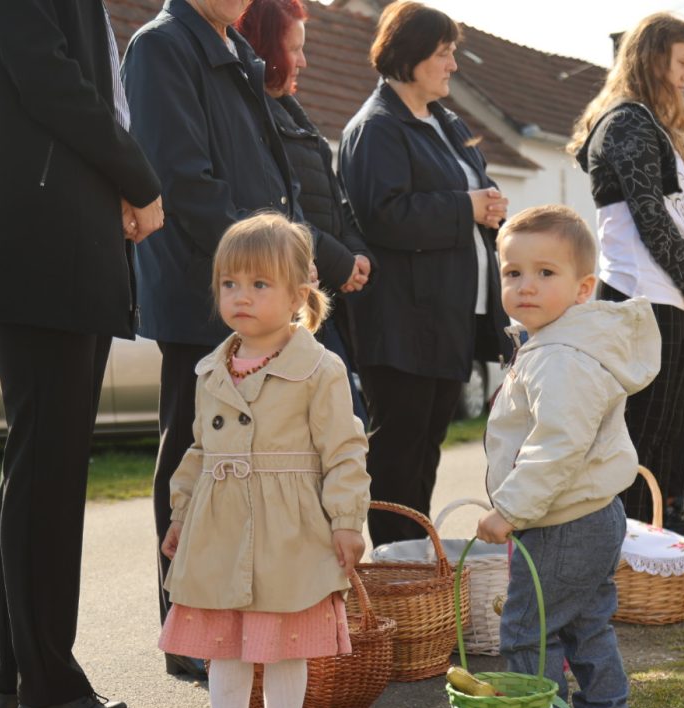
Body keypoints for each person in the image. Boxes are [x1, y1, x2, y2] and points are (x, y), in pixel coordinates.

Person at [0, 0, 165, 708]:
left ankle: (17, 684)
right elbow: (49, 78)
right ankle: (50, 693)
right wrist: (136, 176)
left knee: (38, 464)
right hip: (43, 234)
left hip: (48, 229)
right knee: (48, 469)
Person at [159, 213, 370, 708]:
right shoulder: (210, 370)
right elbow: (199, 450)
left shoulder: (320, 369)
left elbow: (344, 449)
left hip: (291, 529)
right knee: (225, 643)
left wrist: (347, 521)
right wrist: (180, 514)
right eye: (230, 284)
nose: (241, 297)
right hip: (221, 526)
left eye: (259, 285)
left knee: (283, 643)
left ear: (298, 293)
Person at [123, 0, 305, 671]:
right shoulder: (163, 46)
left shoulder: (234, 52)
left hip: (254, 290)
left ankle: (231, 621)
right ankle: (186, 632)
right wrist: (264, 266)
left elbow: (269, 179)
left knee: (244, 468)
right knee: (193, 464)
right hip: (207, 292)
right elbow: (182, 183)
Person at [474, 205, 657, 708]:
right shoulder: (554, 345)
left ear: (582, 288)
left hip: (560, 520)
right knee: (585, 625)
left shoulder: (560, 357)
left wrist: (510, 509)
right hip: (590, 516)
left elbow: (558, 445)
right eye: (512, 272)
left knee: (530, 630)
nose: (525, 285)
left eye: (545, 273)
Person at [339, 1, 512, 546]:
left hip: (449, 317)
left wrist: (490, 208)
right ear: (410, 57)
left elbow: (472, 197)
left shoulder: (446, 121)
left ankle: (418, 566)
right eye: (444, 53)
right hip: (402, 323)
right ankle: (396, 574)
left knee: (426, 452)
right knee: (397, 456)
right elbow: (384, 215)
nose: (453, 65)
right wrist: (468, 206)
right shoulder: (376, 129)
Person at [568, 12, 684, 534]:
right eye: (681, 63)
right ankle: (630, 550)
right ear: (653, 59)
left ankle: (661, 539)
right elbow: (648, 215)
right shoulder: (627, 121)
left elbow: (682, 219)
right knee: (641, 431)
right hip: (639, 299)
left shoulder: (651, 123)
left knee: (668, 431)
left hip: (666, 298)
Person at [235, 0, 373, 424]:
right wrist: (339, 260)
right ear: (262, 48)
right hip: (293, 295)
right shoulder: (252, 116)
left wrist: (355, 253)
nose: (304, 61)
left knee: (346, 426)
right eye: (293, 49)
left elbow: (332, 197)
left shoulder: (294, 113)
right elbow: (276, 209)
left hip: (318, 292)